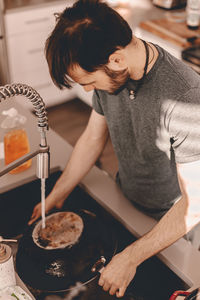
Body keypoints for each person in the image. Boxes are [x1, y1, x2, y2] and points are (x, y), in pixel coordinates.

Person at [29, 0, 200, 297]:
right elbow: (94, 137)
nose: (87, 89)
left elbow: (193, 205)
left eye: (89, 81)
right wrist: (59, 192)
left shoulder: (184, 97)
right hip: (126, 198)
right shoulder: (113, 72)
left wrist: (131, 257)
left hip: (170, 228)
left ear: (117, 60)